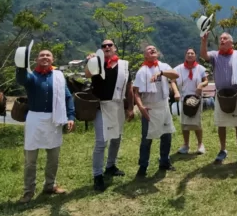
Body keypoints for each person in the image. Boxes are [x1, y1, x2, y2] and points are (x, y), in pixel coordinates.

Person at [15, 48, 76, 202]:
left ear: (52, 59)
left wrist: (70, 116)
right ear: (37, 59)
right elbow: (21, 79)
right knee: (30, 159)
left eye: (48, 55)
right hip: (35, 119)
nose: (45, 57)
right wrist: (21, 64)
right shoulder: (31, 76)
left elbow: (68, 97)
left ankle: (50, 185)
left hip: (54, 119)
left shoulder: (59, 76)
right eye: (42, 55)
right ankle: (28, 191)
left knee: (53, 157)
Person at [85, 39, 134, 193]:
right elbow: (87, 74)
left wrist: (131, 107)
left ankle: (110, 166)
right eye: (103, 46)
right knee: (101, 142)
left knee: (116, 137)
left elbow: (129, 88)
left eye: (109, 45)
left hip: (118, 105)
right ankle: (97, 175)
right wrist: (90, 61)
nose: (107, 47)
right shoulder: (96, 63)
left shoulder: (124, 65)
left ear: (115, 48)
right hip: (101, 106)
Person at [200, 31, 237, 166]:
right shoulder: (215, 55)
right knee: (221, 124)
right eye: (220, 38)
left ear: (231, 42)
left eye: (225, 38)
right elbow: (204, 55)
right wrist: (204, 41)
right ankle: (222, 150)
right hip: (221, 94)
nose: (222, 40)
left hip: (236, 93)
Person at [132, 45, 180, 177]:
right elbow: (136, 92)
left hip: (164, 105)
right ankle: (143, 166)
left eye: (154, 48)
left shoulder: (163, 66)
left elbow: (176, 75)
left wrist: (162, 73)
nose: (152, 49)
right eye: (148, 49)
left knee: (166, 135)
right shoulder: (142, 71)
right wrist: (141, 107)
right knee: (146, 139)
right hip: (150, 107)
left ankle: (164, 161)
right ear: (145, 55)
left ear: (157, 53)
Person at [173, 48, 207, 154]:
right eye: (188, 53)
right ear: (185, 56)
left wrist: (201, 85)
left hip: (196, 99)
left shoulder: (200, 68)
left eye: (192, 53)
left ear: (195, 56)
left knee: (197, 123)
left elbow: (205, 80)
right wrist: (176, 92)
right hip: (184, 99)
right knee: (185, 123)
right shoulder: (178, 68)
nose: (190, 55)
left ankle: (200, 144)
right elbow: (172, 81)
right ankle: (186, 145)